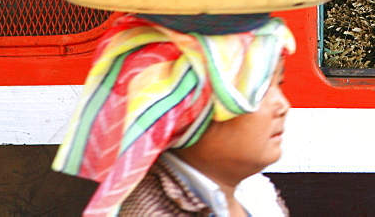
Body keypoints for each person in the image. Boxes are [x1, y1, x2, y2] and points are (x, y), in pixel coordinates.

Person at [53, 13, 296, 216]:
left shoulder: (255, 191)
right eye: (262, 91)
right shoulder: (151, 212)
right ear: (189, 111)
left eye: (281, 83)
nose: (283, 106)